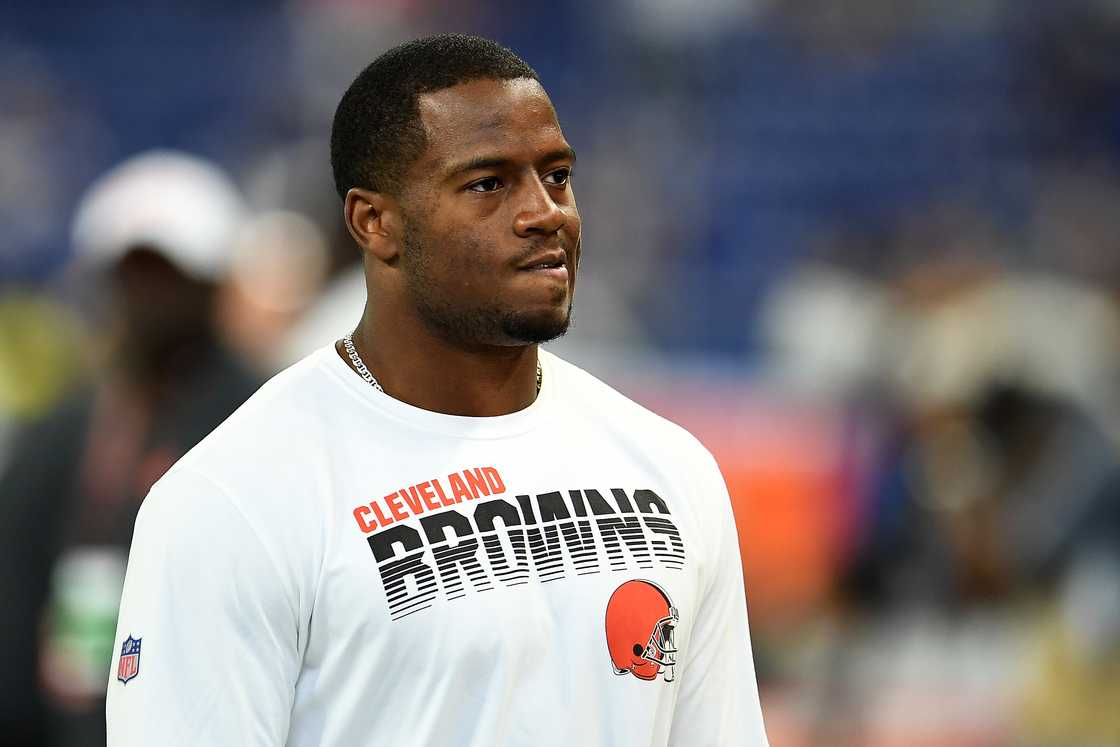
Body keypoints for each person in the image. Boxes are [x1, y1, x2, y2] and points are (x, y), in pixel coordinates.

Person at [106, 34, 769, 746]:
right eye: (488, 183)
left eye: (557, 175)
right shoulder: (235, 497)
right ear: (375, 222)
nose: (545, 212)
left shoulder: (669, 466)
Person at [0, 151, 259, 747]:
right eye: (133, 272)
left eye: (170, 272)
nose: (149, 293)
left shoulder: (262, 415)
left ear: (213, 280)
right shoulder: (63, 430)